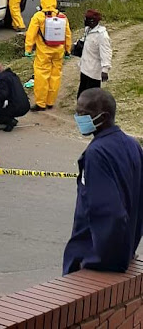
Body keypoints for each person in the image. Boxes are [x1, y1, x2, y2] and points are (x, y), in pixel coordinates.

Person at [63, 88, 143, 275]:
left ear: (104, 116)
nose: (77, 117)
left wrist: (95, 261)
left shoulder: (97, 154)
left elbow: (108, 212)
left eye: (83, 113)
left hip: (92, 255)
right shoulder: (132, 144)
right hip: (125, 250)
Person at [25, 0, 72, 111]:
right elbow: (67, 35)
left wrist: (28, 49)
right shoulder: (62, 17)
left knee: (41, 76)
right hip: (58, 51)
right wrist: (68, 50)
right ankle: (50, 101)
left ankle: (41, 103)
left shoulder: (39, 16)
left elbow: (31, 34)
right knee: (55, 76)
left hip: (44, 53)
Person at [0, 62, 30, 131]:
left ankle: (9, 121)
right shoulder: (13, 76)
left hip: (16, 106)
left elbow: (3, 95)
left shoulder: (2, 79)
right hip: (25, 104)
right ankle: (10, 119)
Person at [77, 10, 112, 98]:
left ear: (93, 21)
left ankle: (91, 111)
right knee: (81, 93)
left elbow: (106, 52)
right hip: (85, 68)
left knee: (92, 96)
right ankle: (80, 111)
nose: (85, 21)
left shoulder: (102, 36)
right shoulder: (88, 30)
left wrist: (105, 70)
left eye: (87, 19)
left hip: (94, 71)